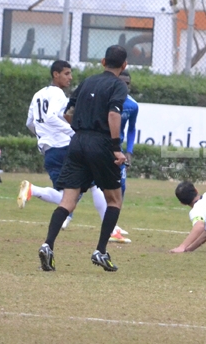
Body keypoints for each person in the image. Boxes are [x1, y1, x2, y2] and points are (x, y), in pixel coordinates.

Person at [37, 45, 129, 272]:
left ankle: (48, 245)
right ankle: (100, 250)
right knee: (114, 200)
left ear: (102, 61)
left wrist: (82, 131)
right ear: (124, 65)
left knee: (67, 201)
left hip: (77, 143)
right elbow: (113, 114)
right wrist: (116, 148)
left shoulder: (87, 81)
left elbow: (67, 113)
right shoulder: (118, 85)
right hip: (101, 144)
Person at [18, 60, 129, 243]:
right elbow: (55, 117)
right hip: (64, 146)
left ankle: (34, 191)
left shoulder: (39, 94)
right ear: (56, 74)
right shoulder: (59, 95)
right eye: (67, 73)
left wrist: (43, 136)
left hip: (48, 149)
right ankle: (111, 231)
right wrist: (74, 132)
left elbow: (30, 122)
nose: (70, 77)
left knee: (67, 196)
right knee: (91, 187)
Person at [118, 70, 139, 197]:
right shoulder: (103, 100)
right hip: (99, 146)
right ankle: (67, 215)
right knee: (84, 184)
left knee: (121, 186)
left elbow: (131, 129)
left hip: (117, 149)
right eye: (121, 83)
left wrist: (129, 151)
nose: (124, 86)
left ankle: (113, 216)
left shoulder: (132, 105)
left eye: (127, 83)